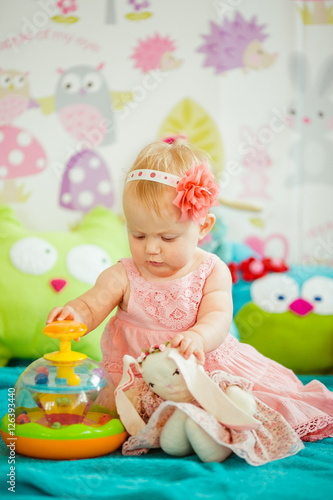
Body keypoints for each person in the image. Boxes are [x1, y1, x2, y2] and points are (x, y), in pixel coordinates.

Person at [47, 140, 333, 442]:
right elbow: (94, 304)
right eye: (138, 234)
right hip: (139, 378)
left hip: (202, 368)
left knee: (241, 405)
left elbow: (219, 317)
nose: (151, 248)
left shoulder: (211, 270)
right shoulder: (123, 275)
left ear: (204, 226)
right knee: (101, 415)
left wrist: (198, 336)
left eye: (168, 237)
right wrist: (74, 314)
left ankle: (204, 427)